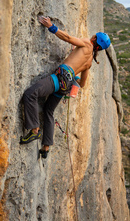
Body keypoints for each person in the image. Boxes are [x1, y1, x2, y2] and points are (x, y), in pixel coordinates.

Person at [20, 16, 111, 158]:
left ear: (94, 38)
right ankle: (46, 147)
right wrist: (74, 73)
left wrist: (51, 26)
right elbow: (82, 84)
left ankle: (34, 131)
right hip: (66, 84)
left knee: (30, 94)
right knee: (48, 111)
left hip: (60, 77)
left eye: (93, 36)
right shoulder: (89, 63)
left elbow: (68, 38)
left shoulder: (87, 44)